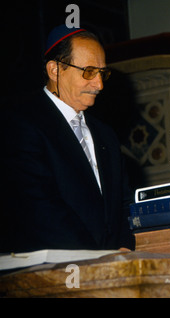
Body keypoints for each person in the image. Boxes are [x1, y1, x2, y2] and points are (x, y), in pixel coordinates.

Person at [0, 25, 134, 252]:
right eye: (89, 71)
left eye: (102, 73)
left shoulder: (105, 135)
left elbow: (123, 203)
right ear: (55, 70)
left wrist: (123, 248)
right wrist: (95, 258)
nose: (99, 84)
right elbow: (38, 207)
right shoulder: (20, 123)